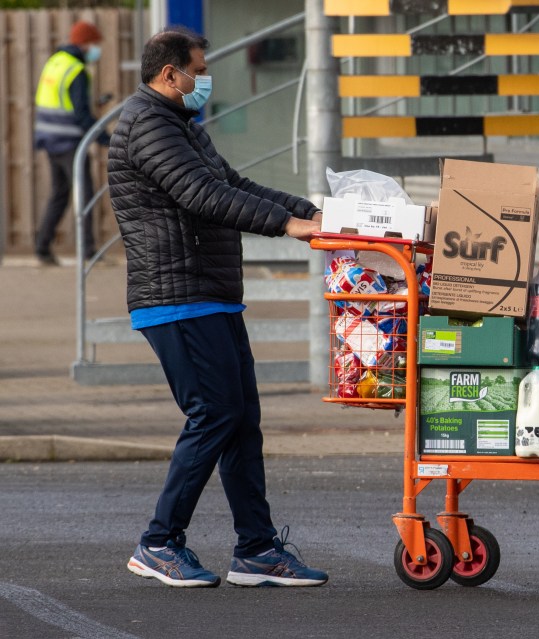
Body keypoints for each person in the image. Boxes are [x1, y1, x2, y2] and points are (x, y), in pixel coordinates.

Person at [108, 26, 327, 588]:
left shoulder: (181, 125)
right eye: (199, 71)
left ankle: (255, 550)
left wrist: (315, 212)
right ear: (169, 74)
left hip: (212, 295)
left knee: (241, 423)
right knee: (214, 415)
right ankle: (158, 542)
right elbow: (203, 197)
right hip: (175, 298)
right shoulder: (146, 125)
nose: (205, 80)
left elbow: (234, 183)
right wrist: (289, 226)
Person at [34, 20, 108, 265]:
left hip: (49, 138)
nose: (97, 49)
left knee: (60, 194)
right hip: (68, 141)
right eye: (95, 44)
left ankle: (42, 247)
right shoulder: (76, 69)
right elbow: (80, 115)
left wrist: (93, 103)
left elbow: (60, 102)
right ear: (86, 43)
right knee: (85, 194)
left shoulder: (55, 62)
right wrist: (107, 139)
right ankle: (88, 251)